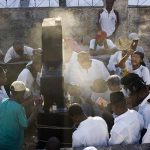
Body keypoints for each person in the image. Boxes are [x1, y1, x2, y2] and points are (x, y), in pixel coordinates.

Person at [0, 81, 39, 150]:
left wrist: (32, 100)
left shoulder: (3, 102)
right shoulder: (19, 108)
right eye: (23, 93)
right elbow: (25, 125)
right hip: (12, 145)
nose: (24, 95)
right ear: (20, 94)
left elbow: (14, 107)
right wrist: (36, 109)